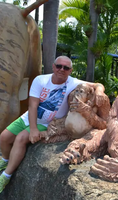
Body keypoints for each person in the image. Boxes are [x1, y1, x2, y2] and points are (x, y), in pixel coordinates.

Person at [0, 56, 107, 193]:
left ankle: (6, 176)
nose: (61, 69)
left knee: (20, 139)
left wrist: (99, 91)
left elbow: (97, 84)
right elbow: (33, 106)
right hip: (29, 117)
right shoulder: (41, 80)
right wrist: (33, 129)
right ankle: (6, 159)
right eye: (59, 66)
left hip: (48, 123)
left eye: (66, 68)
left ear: (70, 70)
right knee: (4, 138)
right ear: (53, 66)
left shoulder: (72, 82)